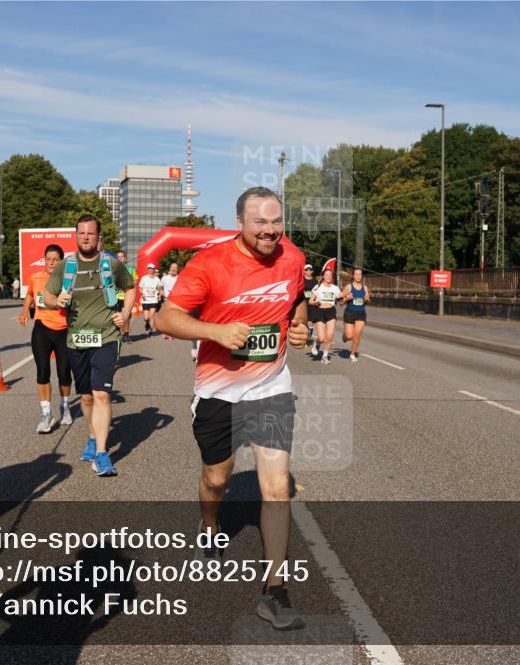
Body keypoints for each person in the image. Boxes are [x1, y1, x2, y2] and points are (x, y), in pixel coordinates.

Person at [156, 186, 309, 630]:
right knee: (216, 479)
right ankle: (209, 525)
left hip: (271, 388)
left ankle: (274, 591)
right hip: (218, 392)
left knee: (276, 488)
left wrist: (299, 327)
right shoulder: (209, 262)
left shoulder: (292, 257)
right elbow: (165, 317)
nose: (270, 231)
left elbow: (297, 300)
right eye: (260, 222)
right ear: (240, 222)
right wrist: (215, 332)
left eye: (276, 222)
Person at [42, 216, 134, 476]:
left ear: (98, 236)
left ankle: (102, 454)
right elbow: (47, 295)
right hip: (77, 338)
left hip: (107, 336)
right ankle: (93, 436)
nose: (86, 237)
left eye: (90, 233)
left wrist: (125, 313)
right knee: (85, 396)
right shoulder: (66, 266)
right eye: (81, 233)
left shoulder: (111, 264)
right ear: (75, 236)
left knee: (101, 394)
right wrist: (56, 301)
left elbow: (130, 288)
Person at [18, 244, 73, 433]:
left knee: (64, 373)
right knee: (42, 371)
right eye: (48, 259)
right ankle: (46, 413)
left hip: (64, 330)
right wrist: (25, 312)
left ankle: (64, 406)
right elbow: (29, 295)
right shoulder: (36, 277)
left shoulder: (68, 280)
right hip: (42, 329)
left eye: (55, 259)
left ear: (61, 262)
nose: (51, 263)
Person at [309, 268, 341, 364]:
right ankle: (317, 343)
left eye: (330, 275)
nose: (328, 277)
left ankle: (325, 356)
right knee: (322, 338)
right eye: (326, 275)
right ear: (323, 276)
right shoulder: (317, 287)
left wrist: (346, 298)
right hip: (320, 311)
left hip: (331, 311)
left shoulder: (335, 288)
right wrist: (315, 303)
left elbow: (341, 301)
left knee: (330, 336)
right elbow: (310, 301)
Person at [340, 268, 371, 362]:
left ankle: (352, 354)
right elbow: (340, 302)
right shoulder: (348, 287)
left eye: (360, 274)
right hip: (350, 313)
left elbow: (368, 301)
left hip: (361, 313)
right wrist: (346, 299)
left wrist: (367, 299)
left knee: (357, 335)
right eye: (356, 274)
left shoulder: (365, 288)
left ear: (362, 276)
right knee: (349, 336)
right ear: (353, 276)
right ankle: (345, 336)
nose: (358, 276)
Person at [115, 250, 138, 342]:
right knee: (117, 316)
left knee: (126, 315)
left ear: (125, 259)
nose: (120, 259)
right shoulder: (113, 268)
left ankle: (126, 333)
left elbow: (135, 280)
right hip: (115, 296)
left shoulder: (130, 269)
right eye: (118, 257)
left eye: (121, 257)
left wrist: (128, 286)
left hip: (126, 297)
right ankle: (120, 334)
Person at [138, 263, 162, 336]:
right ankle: (147, 323)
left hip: (154, 300)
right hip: (145, 300)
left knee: (151, 316)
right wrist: (142, 293)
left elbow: (160, 288)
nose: (150, 269)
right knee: (146, 317)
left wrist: (160, 295)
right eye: (149, 268)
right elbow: (140, 288)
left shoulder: (157, 279)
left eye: (151, 268)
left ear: (153, 270)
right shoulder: (144, 278)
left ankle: (151, 331)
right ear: (147, 269)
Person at [160, 263, 180, 340]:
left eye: (175, 268)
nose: (174, 269)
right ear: (170, 268)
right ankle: (166, 332)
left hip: (176, 300)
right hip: (166, 299)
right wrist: (161, 291)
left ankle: (171, 333)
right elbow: (160, 286)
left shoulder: (180, 278)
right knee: (166, 317)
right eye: (172, 267)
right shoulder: (165, 278)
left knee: (173, 317)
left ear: (177, 269)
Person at [302, 263, 317, 352]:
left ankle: (308, 339)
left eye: (310, 269)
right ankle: (306, 338)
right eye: (306, 270)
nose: (308, 271)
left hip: (312, 305)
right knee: (305, 323)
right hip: (303, 304)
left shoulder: (315, 281)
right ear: (304, 271)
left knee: (310, 323)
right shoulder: (301, 280)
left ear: (312, 271)